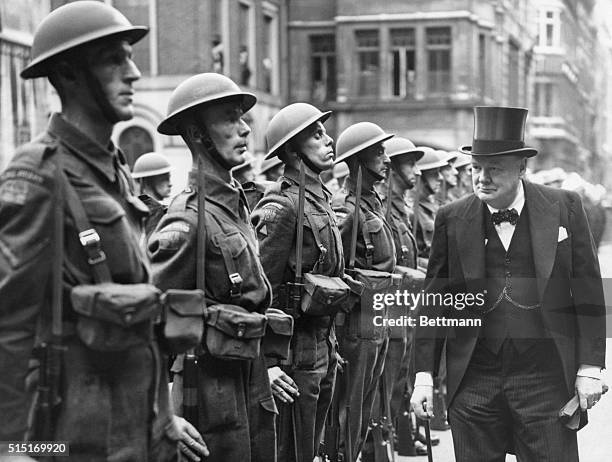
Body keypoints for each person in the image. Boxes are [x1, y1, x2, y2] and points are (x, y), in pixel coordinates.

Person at [0, 2, 206, 460]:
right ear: (70, 74)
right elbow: (9, 322)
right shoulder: (39, 173)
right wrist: (9, 447)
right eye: (115, 59)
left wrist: (163, 416)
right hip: (75, 434)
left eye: (129, 57)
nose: (132, 72)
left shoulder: (114, 172)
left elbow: (142, 309)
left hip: (138, 425)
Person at [411, 106, 606, 462]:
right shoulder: (452, 218)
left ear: (521, 167)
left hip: (545, 379)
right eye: (476, 168)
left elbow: (589, 291)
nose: (482, 178)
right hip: (474, 381)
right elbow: (434, 302)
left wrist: (590, 367)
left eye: (494, 169)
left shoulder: (564, 207)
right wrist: (423, 375)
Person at [150, 72, 276, 462]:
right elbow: (148, 323)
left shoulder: (233, 208)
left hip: (250, 384)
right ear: (197, 133)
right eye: (228, 118)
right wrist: (160, 412)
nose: (244, 129)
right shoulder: (187, 221)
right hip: (207, 398)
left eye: (243, 118)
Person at [252, 102, 343, 462]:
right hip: (292, 351)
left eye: (325, 132)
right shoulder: (282, 204)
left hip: (324, 342)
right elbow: (262, 288)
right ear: (291, 150)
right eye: (316, 135)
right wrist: (268, 363)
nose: (328, 139)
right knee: (293, 450)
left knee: (313, 445)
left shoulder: (322, 200)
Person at [331, 122, 396, 461]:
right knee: (351, 406)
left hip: (377, 315)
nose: (386, 159)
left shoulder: (371, 202)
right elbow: (331, 267)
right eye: (379, 152)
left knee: (366, 402)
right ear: (358, 159)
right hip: (357, 319)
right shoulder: (345, 207)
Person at [362, 137, 427, 461]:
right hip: (380, 311)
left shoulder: (395, 207)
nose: (416, 171)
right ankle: (377, 445)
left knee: (399, 375)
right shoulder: (378, 207)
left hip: (402, 306)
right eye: (410, 163)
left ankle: (396, 436)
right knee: (377, 387)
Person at [413, 149, 447, 258]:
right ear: (420, 175)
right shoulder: (412, 209)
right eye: (434, 173)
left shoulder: (431, 206)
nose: (440, 178)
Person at [132, 151, 173, 238]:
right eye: (164, 179)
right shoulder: (146, 213)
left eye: (169, 178)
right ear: (147, 182)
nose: (170, 184)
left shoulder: (165, 210)